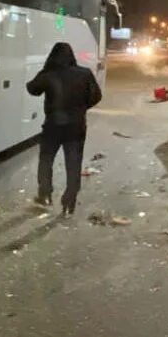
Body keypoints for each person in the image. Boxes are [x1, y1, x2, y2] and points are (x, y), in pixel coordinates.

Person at [26, 42, 103, 216]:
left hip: (52, 126)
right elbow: (96, 96)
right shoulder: (84, 73)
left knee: (46, 161)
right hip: (76, 127)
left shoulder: (49, 74)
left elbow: (32, 89)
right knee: (73, 164)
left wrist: (45, 72)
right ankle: (69, 202)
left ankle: (45, 194)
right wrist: (81, 108)